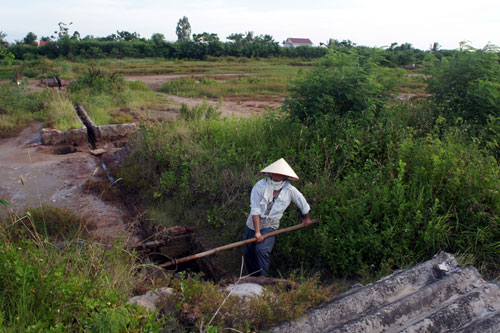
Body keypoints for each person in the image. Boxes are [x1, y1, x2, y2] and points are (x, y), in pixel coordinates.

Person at [243, 158, 312, 277]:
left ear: (285, 176)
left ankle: (263, 277)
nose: (277, 176)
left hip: (271, 223)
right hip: (254, 222)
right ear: (270, 173)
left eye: (280, 174)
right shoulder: (260, 186)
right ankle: (253, 276)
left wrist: (307, 218)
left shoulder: (290, 190)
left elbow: (303, 203)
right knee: (248, 253)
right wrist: (257, 232)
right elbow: (255, 210)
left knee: (262, 250)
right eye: (275, 173)